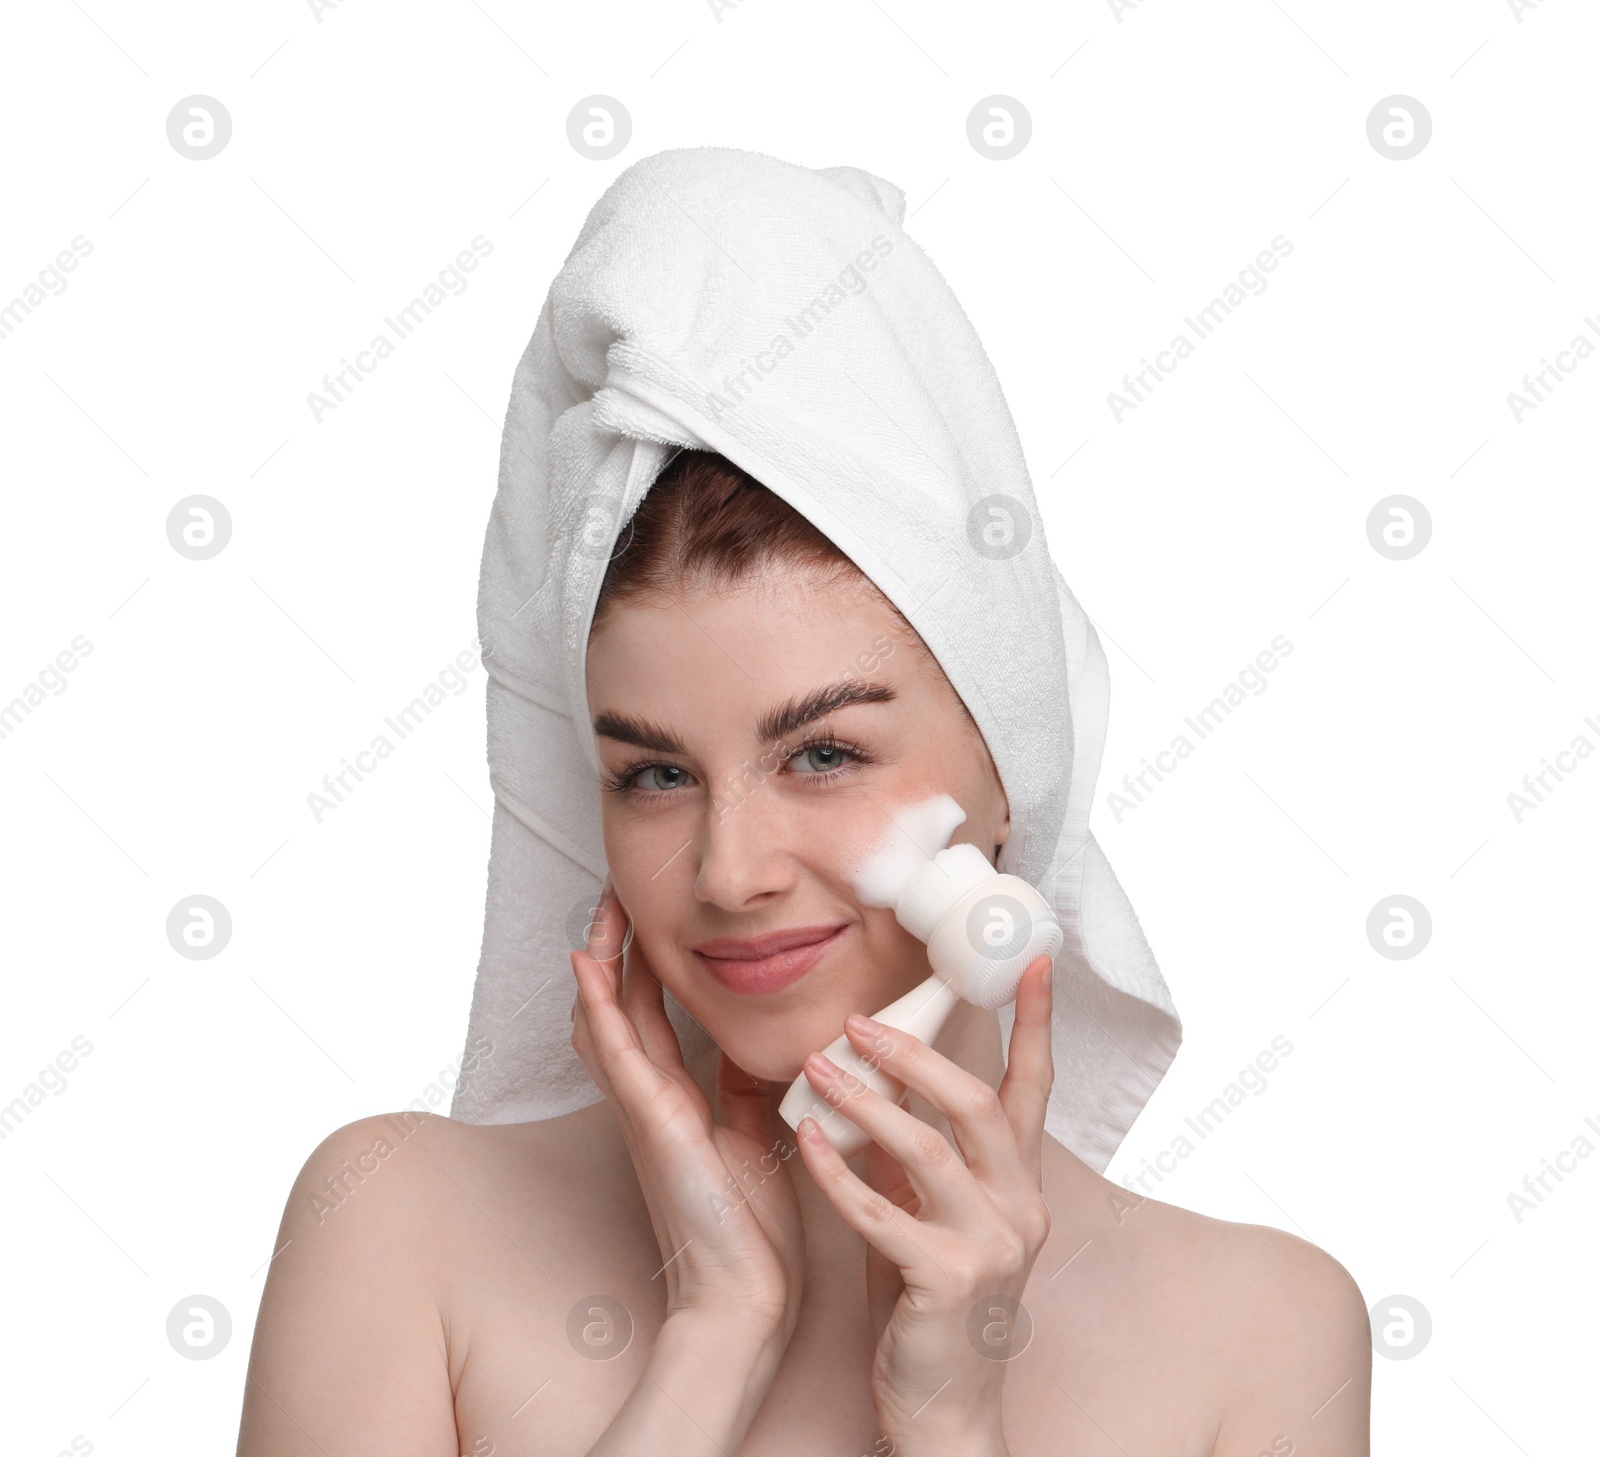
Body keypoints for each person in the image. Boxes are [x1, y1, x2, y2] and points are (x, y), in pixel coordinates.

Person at [237, 450, 1372, 1457]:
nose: (729, 873)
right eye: (656, 773)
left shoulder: (1262, 1331)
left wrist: (951, 1427)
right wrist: (715, 1337)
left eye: (823, 753)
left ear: (1008, 780)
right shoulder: (397, 1227)